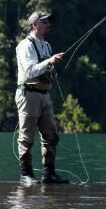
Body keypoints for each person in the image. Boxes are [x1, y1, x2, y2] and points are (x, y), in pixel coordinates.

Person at [15, 10, 69, 184]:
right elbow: (30, 71)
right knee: (26, 138)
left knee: (51, 135)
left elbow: (46, 69)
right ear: (34, 25)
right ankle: (26, 176)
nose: (48, 25)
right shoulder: (25, 45)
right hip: (28, 95)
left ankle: (49, 174)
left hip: (45, 95)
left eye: (48, 22)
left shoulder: (46, 45)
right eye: (44, 22)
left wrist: (51, 70)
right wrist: (50, 62)